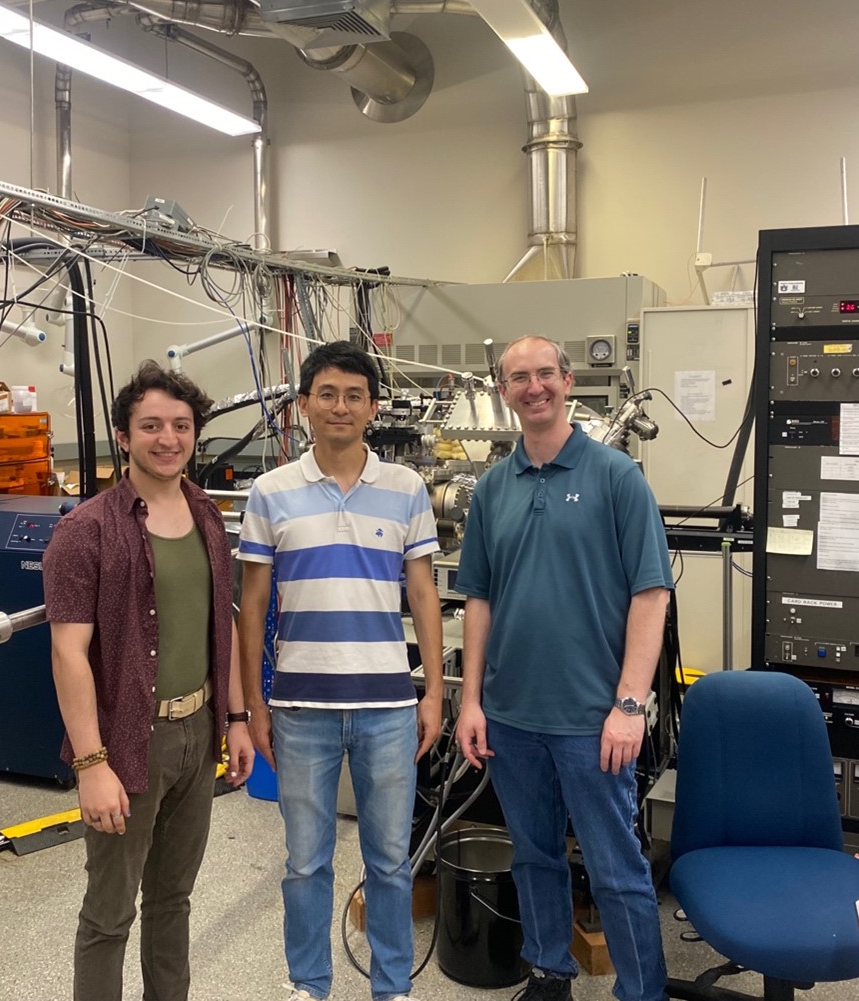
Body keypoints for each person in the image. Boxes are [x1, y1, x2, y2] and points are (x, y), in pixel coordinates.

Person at [454, 334, 672, 1001]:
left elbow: (651, 594)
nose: (534, 387)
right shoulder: (492, 488)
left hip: (592, 718)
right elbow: (480, 600)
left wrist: (630, 703)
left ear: (569, 381)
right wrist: (471, 700)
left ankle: (641, 991)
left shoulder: (616, 476)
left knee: (616, 867)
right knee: (534, 854)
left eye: (545, 373)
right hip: (513, 715)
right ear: (504, 391)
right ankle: (550, 971)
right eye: (518, 377)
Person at [238, 340, 445, 1001]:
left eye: (355, 394)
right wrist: (254, 703)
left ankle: (392, 987)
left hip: (387, 707)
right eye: (326, 393)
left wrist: (434, 691)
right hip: (301, 709)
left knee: (388, 862)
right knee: (305, 863)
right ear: (304, 405)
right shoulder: (271, 492)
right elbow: (253, 606)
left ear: (374, 407)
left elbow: (422, 594)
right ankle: (309, 983)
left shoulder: (406, 488)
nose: (340, 406)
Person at [43, 360, 254, 1001]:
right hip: (129, 740)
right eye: (152, 426)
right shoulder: (87, 531)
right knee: (110, 914)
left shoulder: (206, 515)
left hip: (200, 729)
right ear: (124, 436)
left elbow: (226, 622)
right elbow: (67, 653)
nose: (169, 439)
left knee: (174, 900)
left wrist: (237, 720)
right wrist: (92, 763)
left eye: (182, 426)